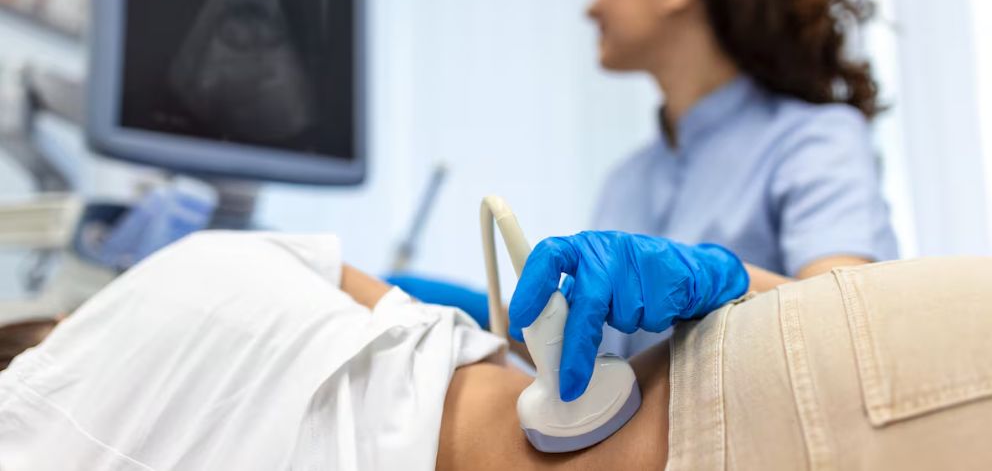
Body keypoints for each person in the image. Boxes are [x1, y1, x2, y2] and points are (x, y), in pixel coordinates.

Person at [390, 0, 899, 356]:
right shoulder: (626, 182)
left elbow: (846, 329)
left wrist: (721, 282)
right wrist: (484, 318)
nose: (592, 7)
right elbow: (606, 371)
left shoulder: (815, 141)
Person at [1, 230, 991, 470]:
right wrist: (730, 280)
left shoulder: (39, 419)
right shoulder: (201, 259)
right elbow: (478, 342)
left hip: (755, 418)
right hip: (762, 371)